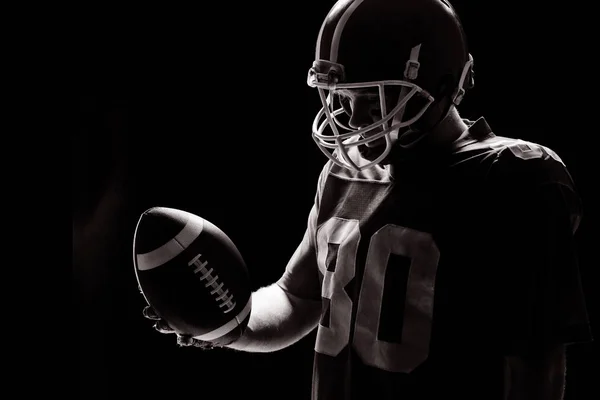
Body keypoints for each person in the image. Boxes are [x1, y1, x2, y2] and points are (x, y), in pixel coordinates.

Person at [142, 0, 593, 399]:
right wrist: (230, 324)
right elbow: (297, 298)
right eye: (345, 97)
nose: (355, 120)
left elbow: (536, 361)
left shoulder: (511, 178)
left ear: (437, 86)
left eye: (375, 100)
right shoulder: (344, 172)